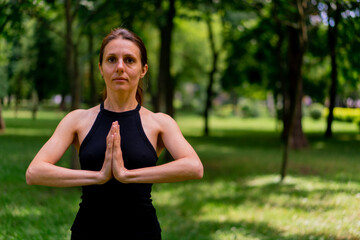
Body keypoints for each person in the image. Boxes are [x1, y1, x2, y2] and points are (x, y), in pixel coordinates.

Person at [26, 27, 203, 239]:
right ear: (101, 68)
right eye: (111, 60)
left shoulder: (160, 123)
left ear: (143, 69)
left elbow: (194, 167)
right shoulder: (77, 120)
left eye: (129, 60)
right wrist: (98, 176)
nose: (120, 67)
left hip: (142, 232)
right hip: (89, 231)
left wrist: (126, 175)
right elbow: (34, 172)